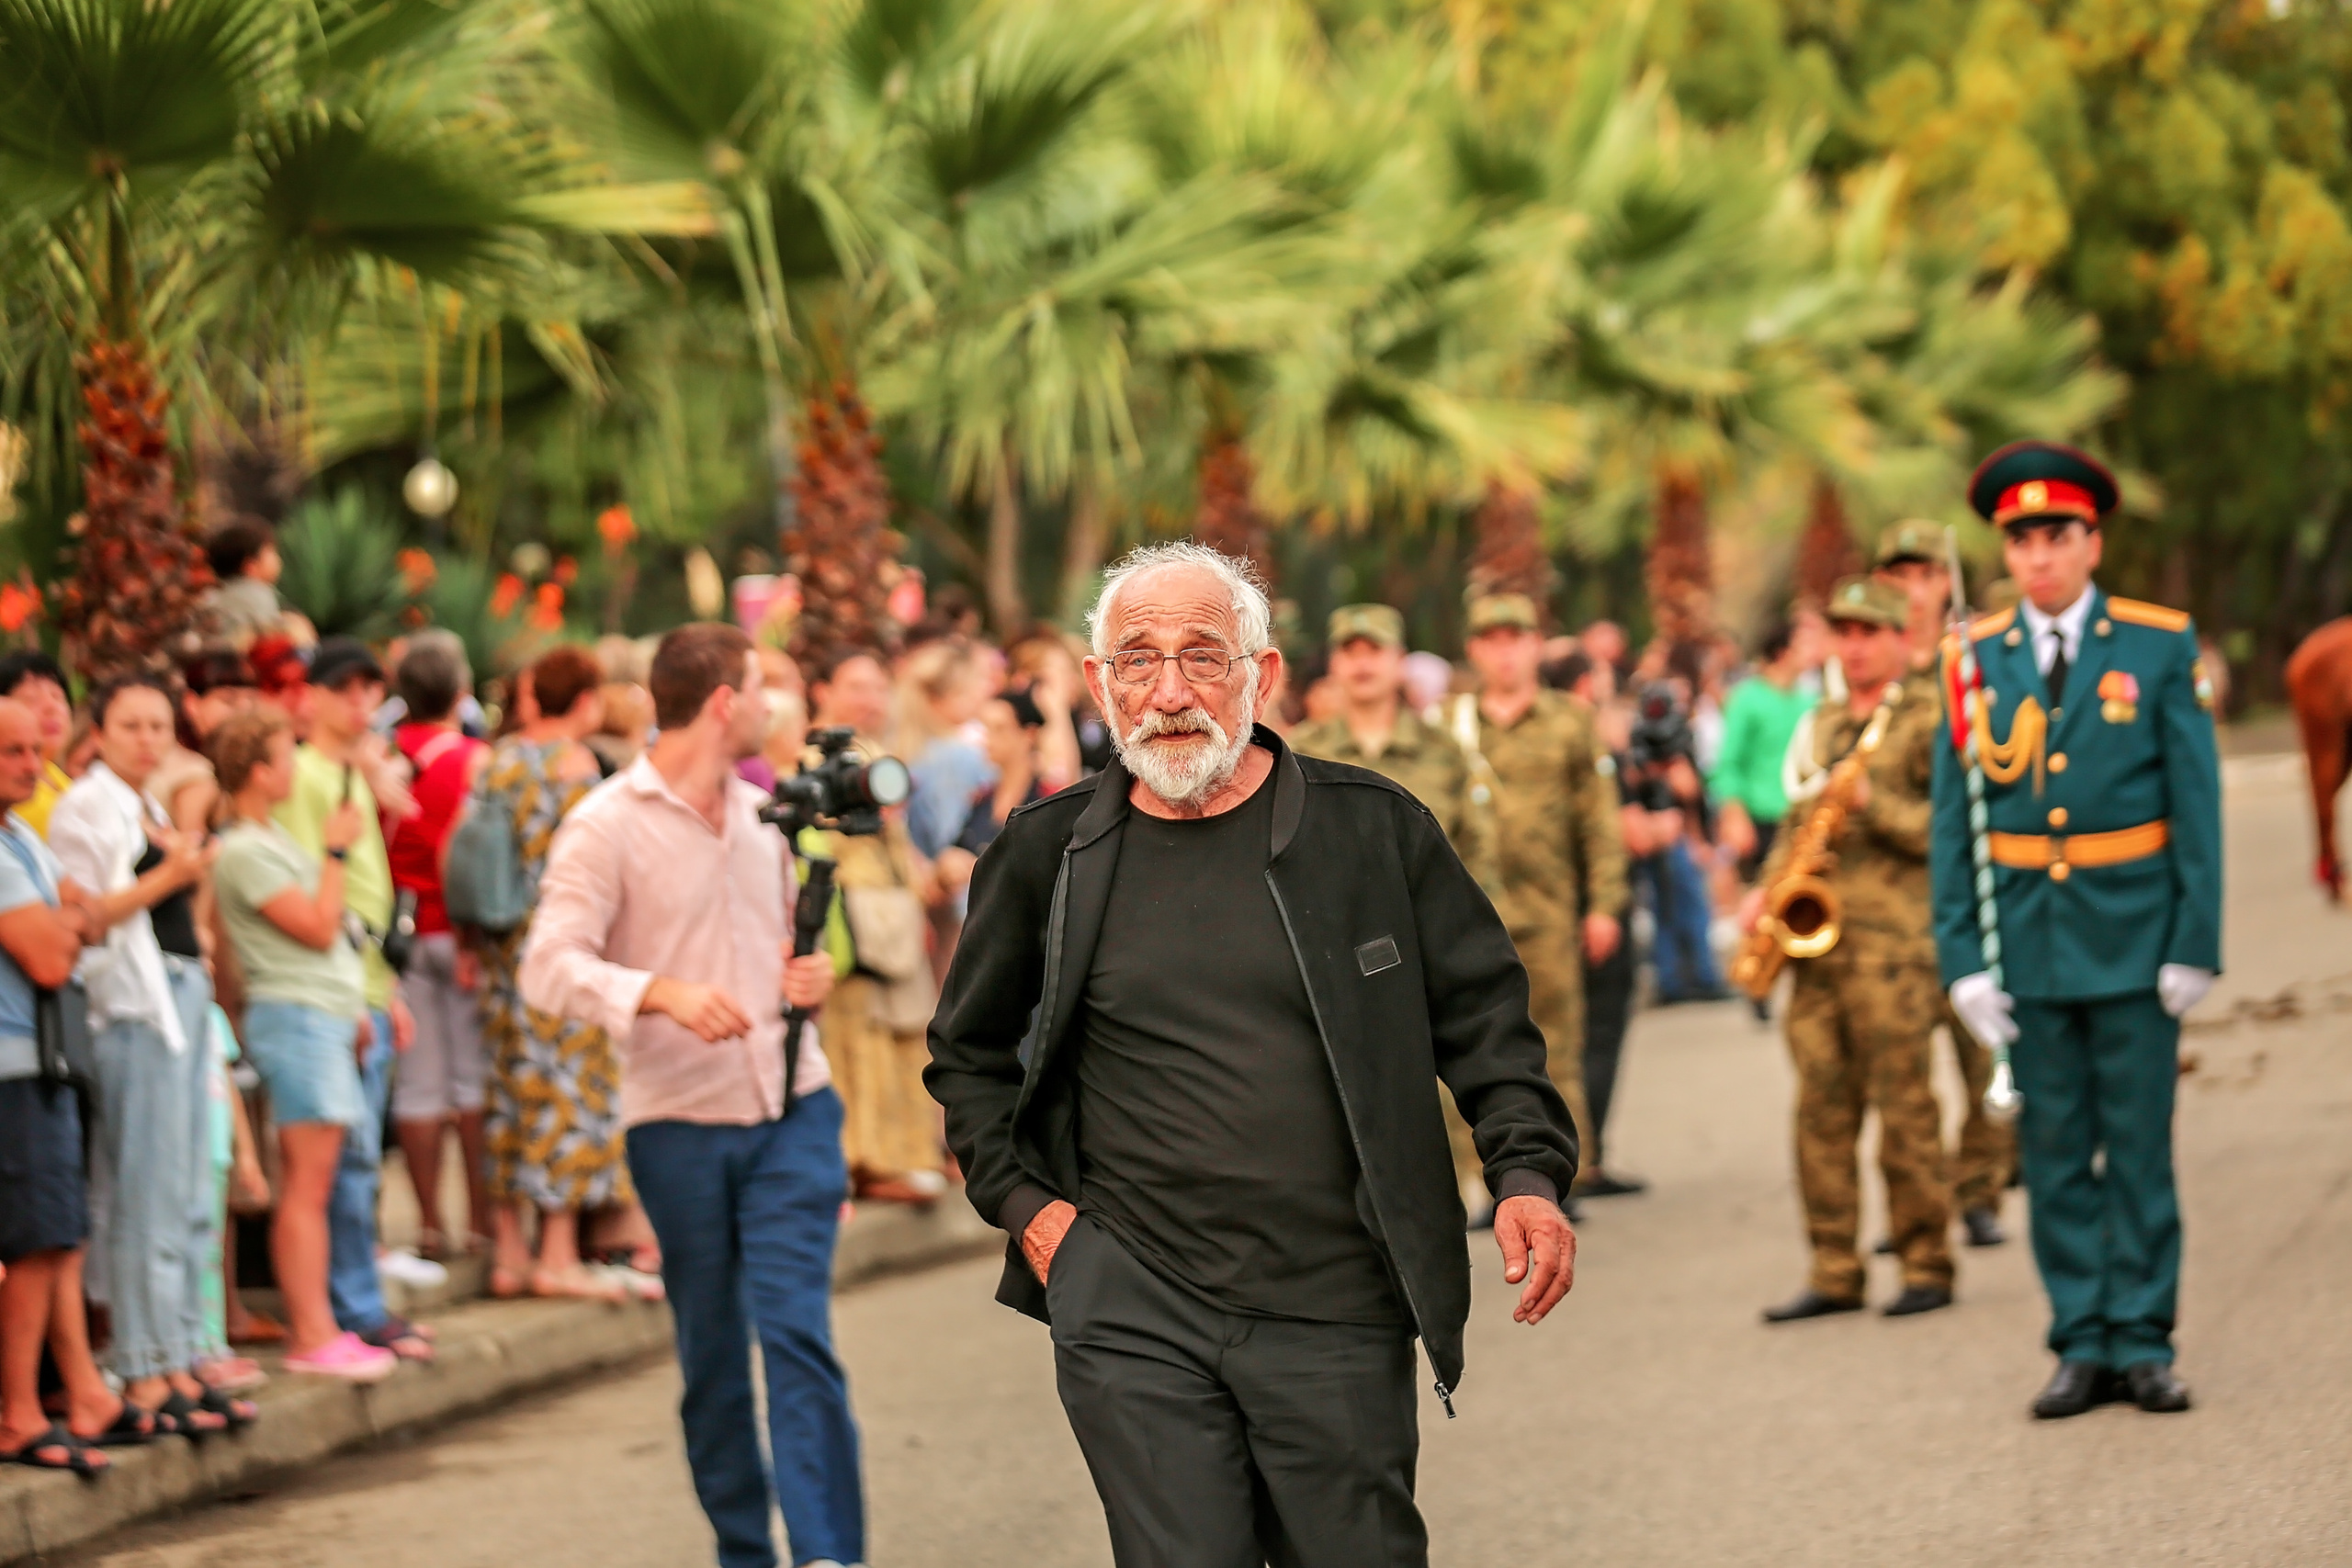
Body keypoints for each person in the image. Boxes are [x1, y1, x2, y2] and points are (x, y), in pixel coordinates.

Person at [927, 543, 1578, 1568]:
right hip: (1129, 1300)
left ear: (1260, 676)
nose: (1170, 692)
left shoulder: (1372, 830)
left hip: (1334, 1301)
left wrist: (1527, 1171)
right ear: (1100, 686)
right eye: (1137, 662)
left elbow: (1484, 1019)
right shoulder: (1048, 853)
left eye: (1202, 656)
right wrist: (1033, 1214)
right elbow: (966, 1054)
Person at [523, 623, 860, 1568]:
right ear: (724, 702)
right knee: (713, 1362)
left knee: (797, 1336)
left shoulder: (768, 815)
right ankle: (745, 1554)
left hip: (795, 1106)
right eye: (763, 689)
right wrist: (654, 993)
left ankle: (831, 1555)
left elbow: (788, 952)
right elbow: (546, 969)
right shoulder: (605, 822)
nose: (774, 709)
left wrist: (811, 977)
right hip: (677, 1128)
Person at [1932, 442, 2221, 1419]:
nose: (2039, 556)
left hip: (2138, 942)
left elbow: (2195, 805)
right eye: (2021, 540)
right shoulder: (1971, 662)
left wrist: (2195, 939)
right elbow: (1952, 824)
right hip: (2029, 950)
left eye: (2057, 536)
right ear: (2005, 554)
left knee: (2137, 1149)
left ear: (2092, 541)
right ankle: (2080, 1341)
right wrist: (1963, 958)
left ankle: (2143, 1339)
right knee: (2053, 1155)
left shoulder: (2156, 644)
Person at [1744, 579, 1954, 1323]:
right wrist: (1765, 897)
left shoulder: (1931, 717)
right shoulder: (1822, 723)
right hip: (1818, 954)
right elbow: (1794, 825)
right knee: (1820, 1115)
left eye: (1870, 631)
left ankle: (1926, 1258)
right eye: (1845, 631)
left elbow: (1953, 833)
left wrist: (1878, 808)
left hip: (1897, 950)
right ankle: (1834, 1267)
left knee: (1906, 1111)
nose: (1856, 645)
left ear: (1900, 637)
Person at [49, 676, 255, 1434]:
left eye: (157, 725)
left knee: (180, 1193)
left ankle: (174, 1355)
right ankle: (141, 1364)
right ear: (97, 731)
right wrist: (173, 873)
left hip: (175, 1002)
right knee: (138, 1195)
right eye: (129, 723)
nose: (145, 737)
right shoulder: (85, 806)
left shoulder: (149, 804)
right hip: (129, 1011)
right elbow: (89, 918)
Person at [1288, 604, 1502, 1213]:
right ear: (1333, 664)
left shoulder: (1443, 749)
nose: (1361, 664)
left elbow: (1476, 846)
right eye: (1349, 651)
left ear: (1397, 661)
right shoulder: (1301, 753)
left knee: (1449, 1056)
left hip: (1427, 931)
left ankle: (1469, 1176)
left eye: (1373, 650)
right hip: (1333, 938)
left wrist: (1484, 930)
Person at [210, 709, 398, 1383]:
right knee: (306, 1187)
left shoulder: (266, 838)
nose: (294, 769)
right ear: (260, 772)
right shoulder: (244, 849)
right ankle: (312, 1331)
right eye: (285, 757)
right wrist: (338, 849)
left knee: (314, 1184)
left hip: (318, 1015)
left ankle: (321, 1326)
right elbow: (319, 927)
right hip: (294, 1019)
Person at [467, 646, 647, 1301]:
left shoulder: (498, 761)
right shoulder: (576, 767)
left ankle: (508, 1252)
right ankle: (558, 1252)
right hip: (564, 948)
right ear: (586, 698)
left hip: (501, 951)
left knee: (510, 1094)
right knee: (567, 1093)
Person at [269, 637, 431, 1363]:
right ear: (313, 696)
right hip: (330, 989)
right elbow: (314, 887)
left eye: (370, 688)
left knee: (363, 1155)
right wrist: (352, 990)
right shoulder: (304, 774)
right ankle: (349, 1307)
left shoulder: (350, 770)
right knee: (339, 1159)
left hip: (365, 983)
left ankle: (360, 1303)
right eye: (346, 688)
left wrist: (386, 989)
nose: (360, 701)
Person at [1874, 519, 2014, 1248]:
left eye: (1921, 572)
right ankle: (1916, 1209)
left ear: (1941, 579)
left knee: (1982, 1057)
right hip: (1888, 911)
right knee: (1899, 1081)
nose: (1908, 587)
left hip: (1966, 895)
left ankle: (1982, 1188)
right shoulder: (1866, 662)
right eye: (1894, 574)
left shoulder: (1976, 659)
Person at [0, 697, 130, 1473]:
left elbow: (89, 921)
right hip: (13, 1065)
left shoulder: (22, 838)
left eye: (32, 748)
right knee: (34, 1243)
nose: (28, 763)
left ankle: (64, 1395)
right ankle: (18, 1412)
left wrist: (64, 919)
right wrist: (67, 919)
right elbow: (53, 956)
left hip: (42, 1059)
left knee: (55, 1237)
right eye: (10, 750)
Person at [1458, 592, 1628, 1171]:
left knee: (1558, 1047)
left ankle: (1570, 1173)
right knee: (1467, 1048)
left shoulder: (1570, 721)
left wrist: (1605, 905)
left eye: (1516, 639)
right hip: (1469, 916)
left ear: (1536, 645)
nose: (1505, 654)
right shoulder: (1451, 727)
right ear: (1474, 650)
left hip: (1550, 910)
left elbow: (1600, 821)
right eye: (1492, 641)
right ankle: (1478, 1181)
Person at [808, 649, 946, 1203]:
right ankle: (859, 1161)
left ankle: (898, 1158)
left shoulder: (881, 755)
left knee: (899, 1036)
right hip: (848, 920)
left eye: (877, 687)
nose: (869, 699)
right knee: (855, 1038)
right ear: (824, 691)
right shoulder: (813, 760)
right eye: (856, 686)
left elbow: (897, 842)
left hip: (891, 915)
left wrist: (920, 886)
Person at [387, 633, 490, 1259]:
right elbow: (470, 849)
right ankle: (480, 1220)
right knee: (472, 1081)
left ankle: (430, 1225)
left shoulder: (379, 756)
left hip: (397, 934)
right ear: (460, 690)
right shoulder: (473, 758)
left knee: (419, 1085)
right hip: (458, 930)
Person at [1709, 620, 1820, 879]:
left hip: (1802, 823)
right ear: (1783, 652)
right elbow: (1728, 763)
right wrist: (1734, 814)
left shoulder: (1811, 701)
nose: (1813, 651)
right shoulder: (1747, 699)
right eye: (1804, 644)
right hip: (1760, 822)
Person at [0, 651, 74, 839]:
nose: (51, 707)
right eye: (31, 699)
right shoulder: (12, 792)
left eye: (58, 697)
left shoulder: (56, 777)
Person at [203, 522, 289, 649]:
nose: (278, 559)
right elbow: (273, 638)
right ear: (251, 566)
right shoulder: (257, 593)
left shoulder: (219, 593)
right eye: (271, 552)